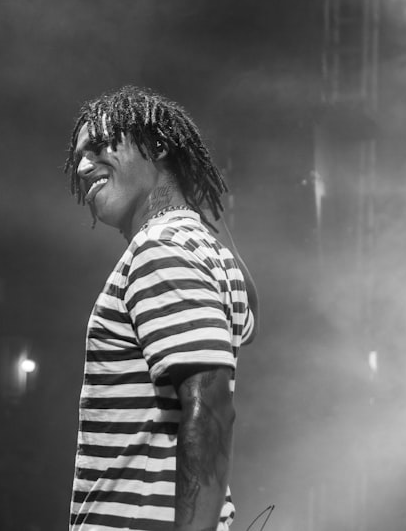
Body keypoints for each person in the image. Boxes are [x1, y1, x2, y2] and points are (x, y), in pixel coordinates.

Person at [64, 85, 258, 531]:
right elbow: (250, 317)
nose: (81, 166)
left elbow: (211, 407)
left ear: (156, 146)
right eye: (78, 156)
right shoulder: (200, 248)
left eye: (97, 147)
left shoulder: (160, 250)